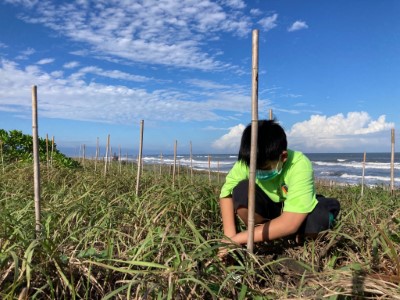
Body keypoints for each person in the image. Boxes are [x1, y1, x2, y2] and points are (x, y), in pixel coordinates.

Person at [219, 119, 340, 253]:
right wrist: (229, 237)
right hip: (270, 208)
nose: (258, 172)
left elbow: (290, 222)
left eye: (264, 168)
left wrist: (238, 239)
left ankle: (292, 237)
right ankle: (265, 232)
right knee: (241, 191)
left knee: (317, 219)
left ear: (283, 157)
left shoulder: (299, 164)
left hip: (294, 210)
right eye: (254, 168)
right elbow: (226, 194)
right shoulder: (247, 162)